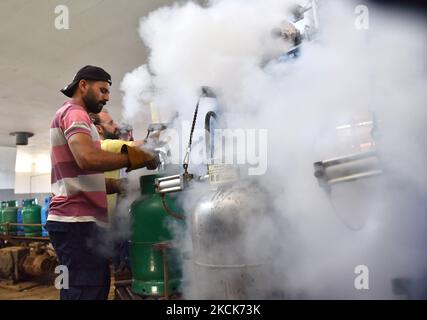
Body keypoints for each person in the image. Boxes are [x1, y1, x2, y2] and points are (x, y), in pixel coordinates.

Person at [46, 65, 159, 300]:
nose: (107, 97)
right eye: (103, 90)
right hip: (77, 221)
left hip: (74, 221)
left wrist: (117, 186)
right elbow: (87, 159)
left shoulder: (75, 116)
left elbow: (79, 175)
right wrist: (133, 158)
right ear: (83, 85)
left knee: (85, 288)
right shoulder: (75, 112)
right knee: (85, 291)